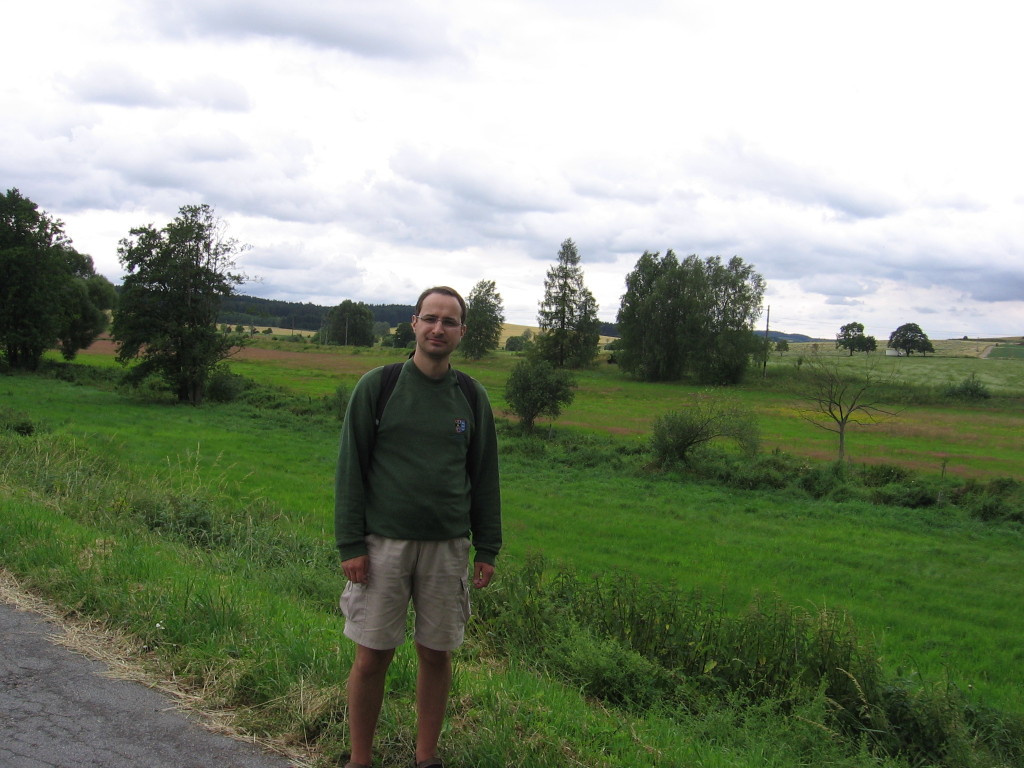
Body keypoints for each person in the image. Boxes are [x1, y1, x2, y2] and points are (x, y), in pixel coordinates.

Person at [334, 286, 502, 768]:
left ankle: (425, 757)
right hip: (381, 546)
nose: (438, 329)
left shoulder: (471, 396)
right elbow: (350, 469)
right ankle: (359, 759)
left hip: (448, 548)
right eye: (430, 318)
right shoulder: (379, 386)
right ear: (414, 323)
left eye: (449, 322)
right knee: (372, 655)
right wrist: (350, 543)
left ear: (462, 332)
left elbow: (484, 475)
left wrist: (487, 546)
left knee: (436, 654)